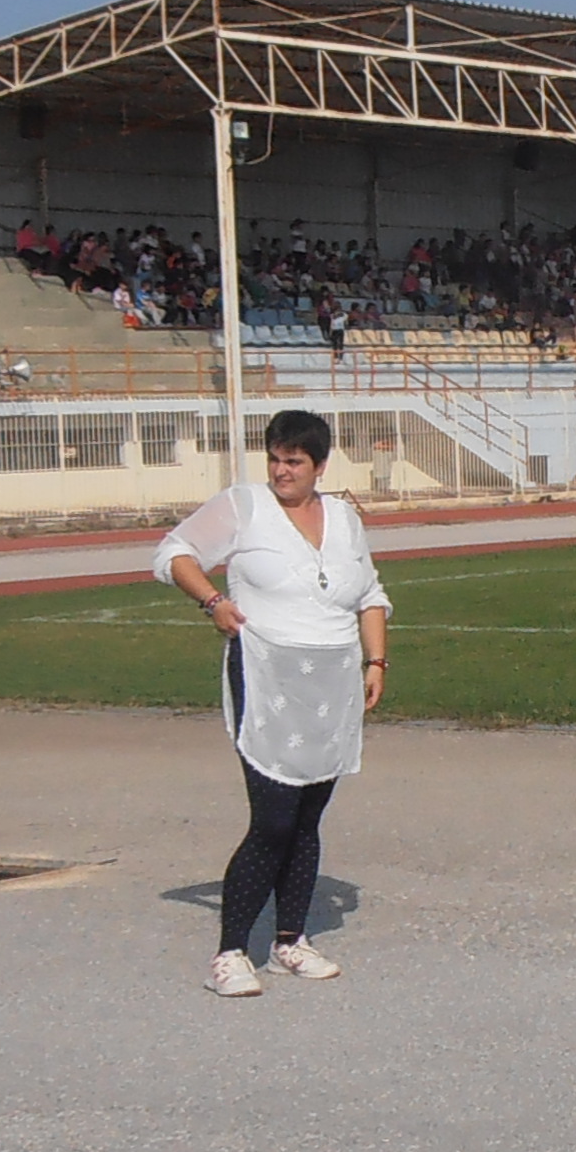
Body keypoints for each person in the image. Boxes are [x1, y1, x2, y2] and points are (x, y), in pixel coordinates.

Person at [157, 408, 391, 998]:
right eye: (276, 459)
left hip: (332, 682)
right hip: (266, 675)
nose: (282, 471)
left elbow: (369, 593)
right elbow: (175, 553)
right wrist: (213, 602)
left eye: (295, 461)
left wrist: (377, 660)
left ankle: (291, 939)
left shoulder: (343, 518)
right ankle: (231, 952)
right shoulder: (243, 506)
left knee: (308, 818)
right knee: (273, 820)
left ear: (320, 465)